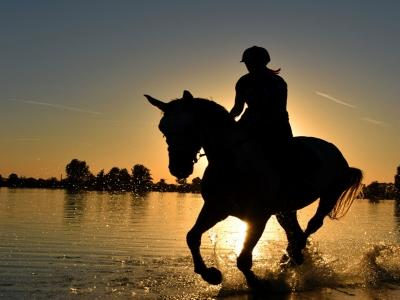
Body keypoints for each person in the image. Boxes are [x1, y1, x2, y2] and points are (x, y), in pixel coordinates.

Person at [230, 46, 293, 168]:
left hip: (275, 124)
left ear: (263, 62)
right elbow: (238, 108)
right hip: (249, 121)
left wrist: (266, 128)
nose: (249, 66)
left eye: (253, 63)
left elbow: (280, 110)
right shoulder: (242, 82)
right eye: (247, 63)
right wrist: (227, 120)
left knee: (287, 154)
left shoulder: (278, 82)